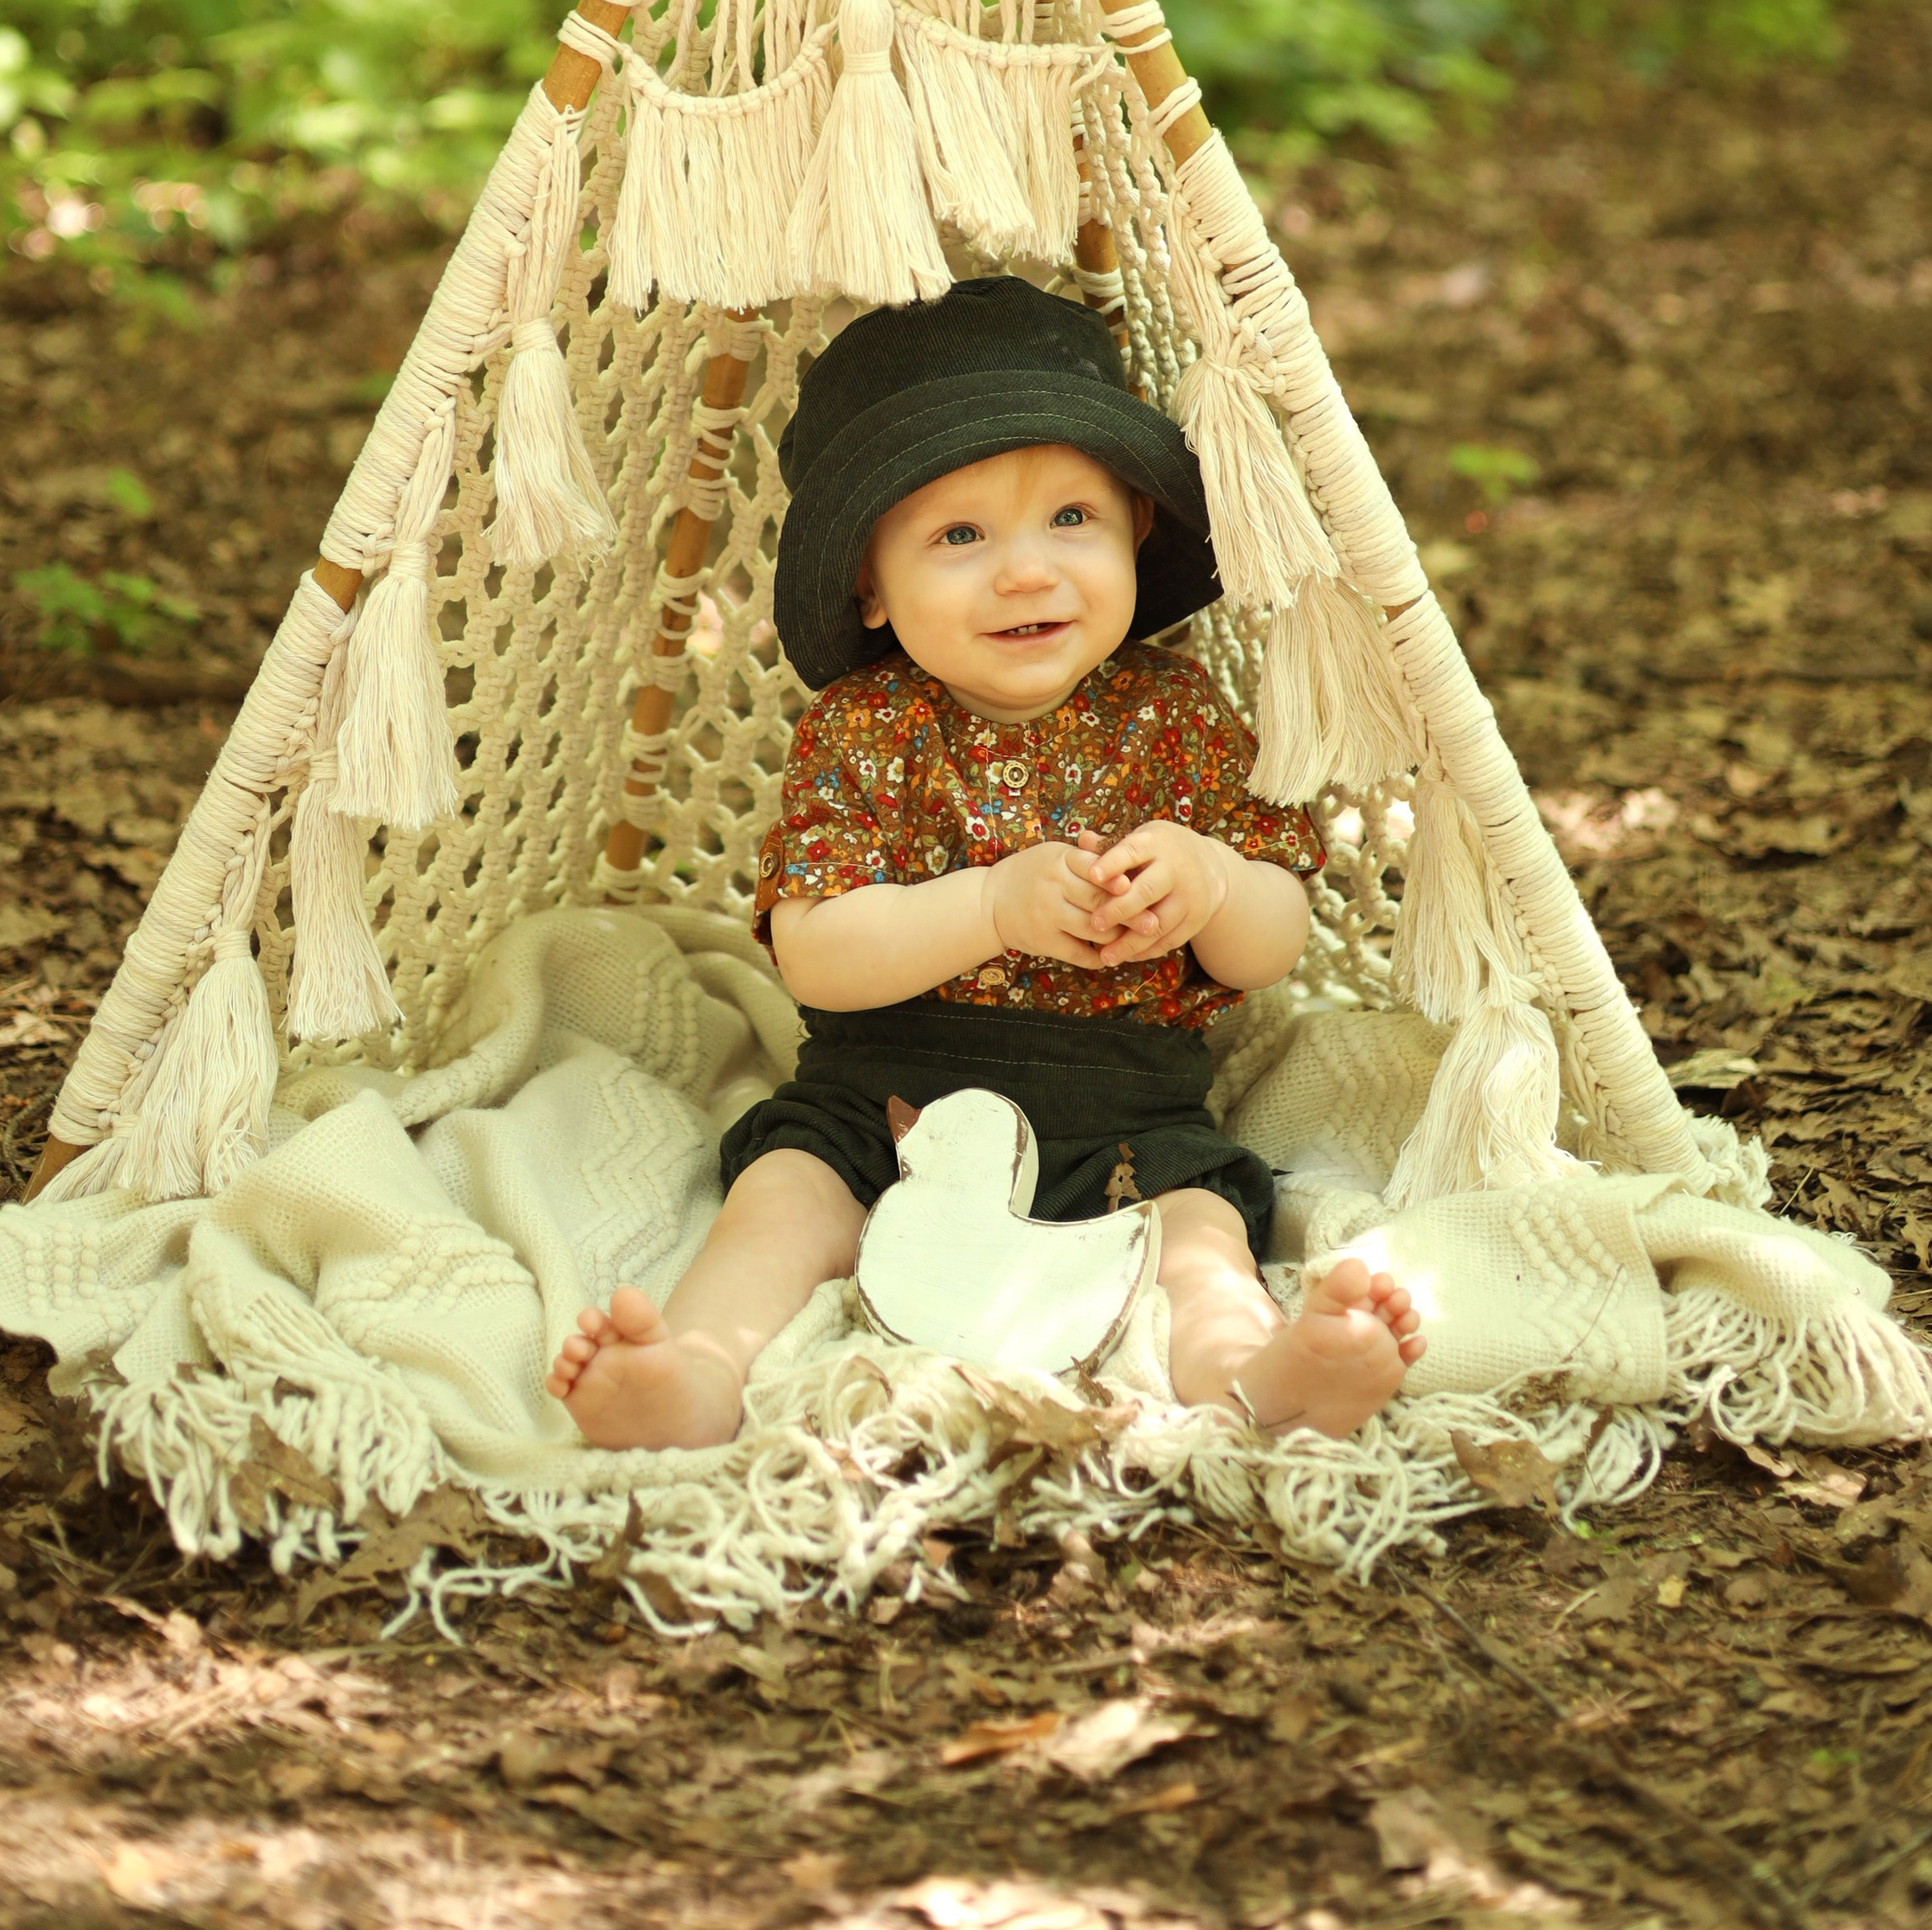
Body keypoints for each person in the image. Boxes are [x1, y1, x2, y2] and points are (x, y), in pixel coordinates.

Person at [550, 276, 1423, 1450]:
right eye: (960, 535)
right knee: (781, 1203)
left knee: (1200, 1237)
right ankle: (694, 1372)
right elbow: (815, 952)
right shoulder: (865, 725)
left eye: (1072, 518)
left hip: (1122, 1105)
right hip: (886, 1098)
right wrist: (989, 906)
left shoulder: (1178, 711)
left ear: (1137, 527)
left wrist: (1211, 884)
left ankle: (1257, 1373)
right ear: (869, 579)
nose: (1028, 570)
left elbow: (1271, 944)